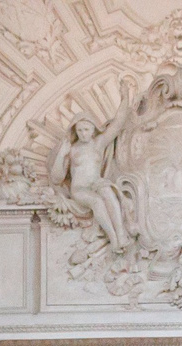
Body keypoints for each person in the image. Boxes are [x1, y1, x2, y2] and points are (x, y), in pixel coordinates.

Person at [50, 95, 135, 251]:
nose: (83, 133)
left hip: (96, 184)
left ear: (93, 129)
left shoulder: (98, 144)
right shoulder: (72, 149)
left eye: (86, 129)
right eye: (80, 130)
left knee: (108, 191)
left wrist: (124, 96)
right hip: (80, 189)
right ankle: (114, 239)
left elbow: (117, 125)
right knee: (97, 201)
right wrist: (62, 154)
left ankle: (121, 234)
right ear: (75, 131)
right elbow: (57, 178)